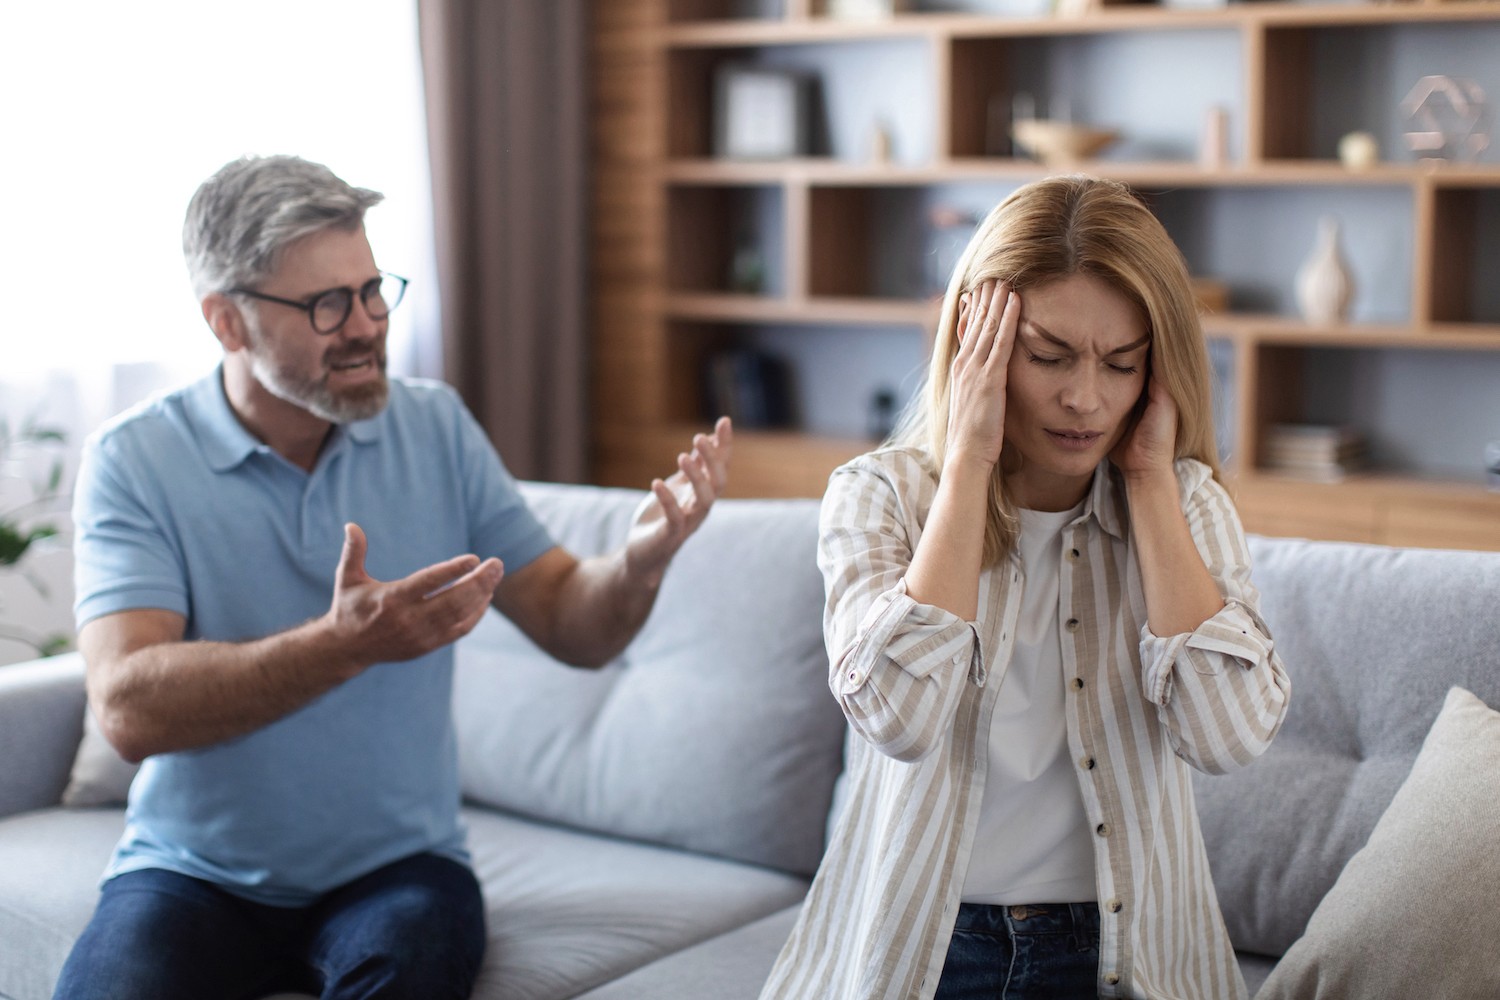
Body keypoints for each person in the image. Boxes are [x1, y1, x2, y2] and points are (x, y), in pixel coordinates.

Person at [56, 154, 733, 1000]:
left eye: (374, 289)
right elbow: (126, 707)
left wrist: (638, 566)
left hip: (399, 871)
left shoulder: (435, 426)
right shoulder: (136, 459)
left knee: (406, 966)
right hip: (191, 872)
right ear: (226, 322)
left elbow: (572, 622)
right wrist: (341, 647)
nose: (367, 324)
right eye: (326, 304)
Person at [760, 175, 1290, 1000]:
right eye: (1048, 357)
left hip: (1123, 949)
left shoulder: (1185, 503)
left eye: (1121, 363)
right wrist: (968, 462)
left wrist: (1150, 479)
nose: (1086, 398)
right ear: (978, 345)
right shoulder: (877, 495)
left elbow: (1228, 737)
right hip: (932, 948)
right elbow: (899, 718)